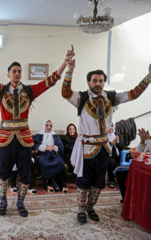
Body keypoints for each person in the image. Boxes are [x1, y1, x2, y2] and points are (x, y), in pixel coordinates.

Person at [0, 37, 73, 217]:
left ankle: (20, 203)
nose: (17, 73)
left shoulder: (29, 91)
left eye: (19, 71)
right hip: (5, 139)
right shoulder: (0, 90)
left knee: (26, 174)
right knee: (3, 173)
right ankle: (3, 202)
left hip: (25, 140)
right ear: (8, 74)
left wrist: (65, 63)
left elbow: (50, 81)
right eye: (14, 71)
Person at [61, 51, 151, 224]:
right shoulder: (81, 98)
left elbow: (133, 94)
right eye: (94, 80)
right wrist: (69, 71)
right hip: (86, 147)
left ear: (104, 82)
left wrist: (148, 77)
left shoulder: (112, 97)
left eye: (101, 80)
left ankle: (90, 207)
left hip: (104, 147)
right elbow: (65, 93)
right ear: (89, 82)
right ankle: (80, 209)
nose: (98, 83)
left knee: (98, 181)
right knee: (83, 180)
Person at [33, 120, 68, 194]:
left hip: (54, 154)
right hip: (43, 154)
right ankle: (49, 183)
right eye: (47, 125)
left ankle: (62, 183)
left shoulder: (55, 135)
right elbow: (35, 145)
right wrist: (45, 148)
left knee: (60, 163)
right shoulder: (39, 135)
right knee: (45, 163)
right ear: (44, 126)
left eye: (50, 126)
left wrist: (54, 147)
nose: (49, 127)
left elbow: (61, 147)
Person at [107, 122, 124, 188]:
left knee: (120, 163)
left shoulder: (117, 135)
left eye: (112, 126)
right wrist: (111, 142)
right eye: (109, 126)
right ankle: (111, 180)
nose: (110, 127)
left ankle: (119, 180)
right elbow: (103, 146)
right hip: (108, 154)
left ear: (114, 127)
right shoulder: (104, 136)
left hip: (117, 155)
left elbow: (122, 147)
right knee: (111, 163)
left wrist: (118, 142)